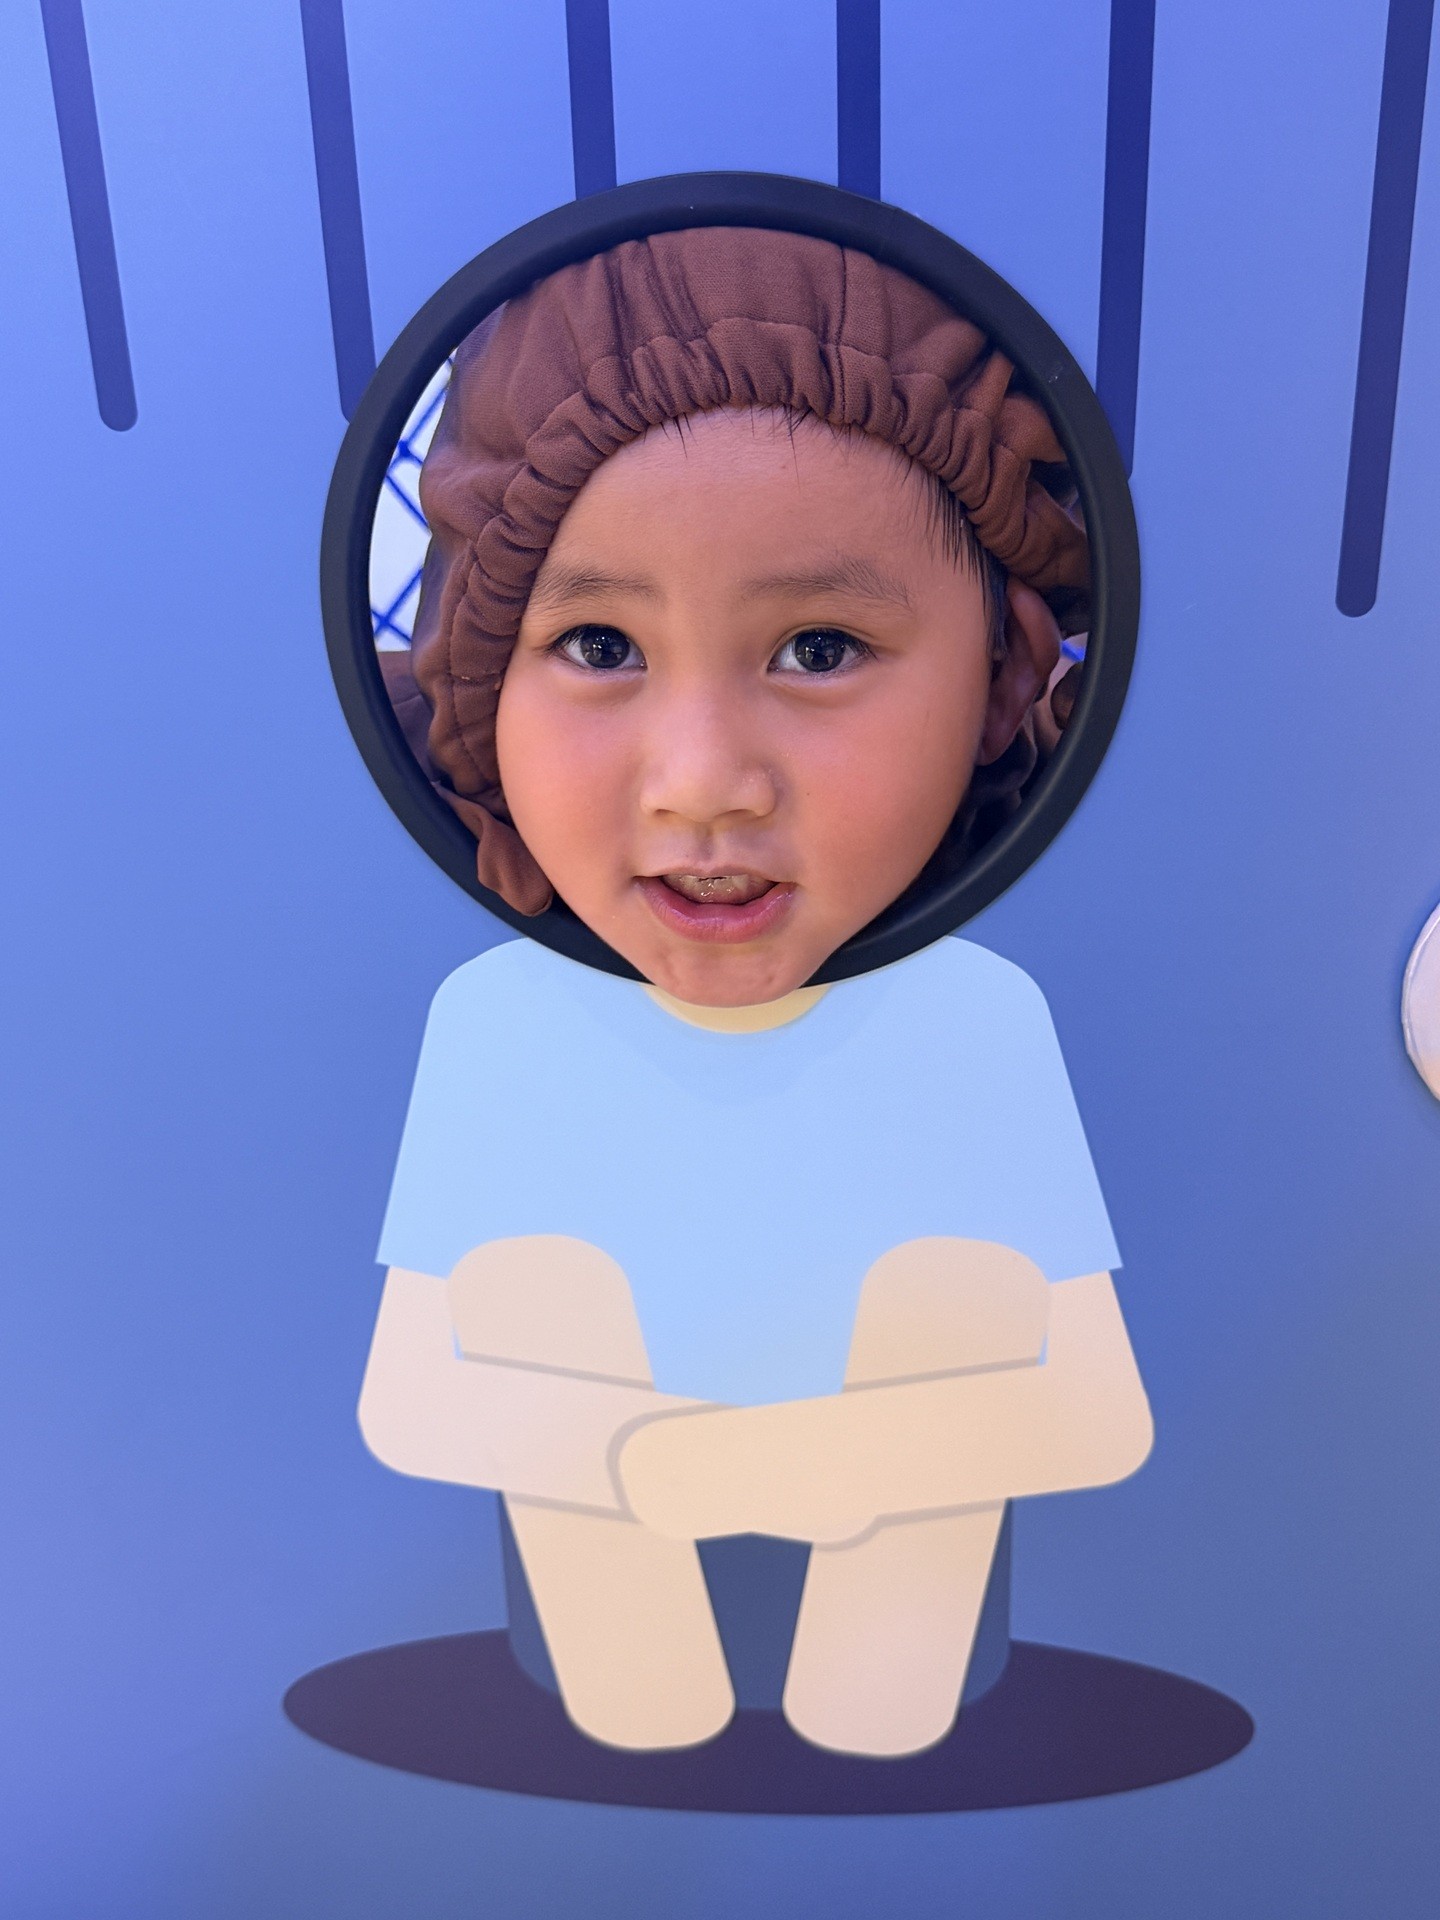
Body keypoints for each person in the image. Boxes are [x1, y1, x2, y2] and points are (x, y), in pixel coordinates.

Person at [357, 227, 1152, 1758]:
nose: (704, 782)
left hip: (909, 1648)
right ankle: (637, 1679)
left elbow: (1100, 1406)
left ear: (1002, 678)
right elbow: (407, 1396)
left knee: (955, 1287)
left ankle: (878, 1683)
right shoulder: (502, 1027)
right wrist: (642, 1454)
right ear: (474, 682)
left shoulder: (978, 1022)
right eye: (599, 644)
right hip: (603, 1626)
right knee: (534, 1284)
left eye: (819, 647)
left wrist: (820, 1461)